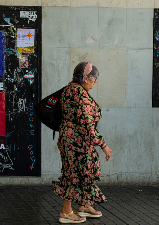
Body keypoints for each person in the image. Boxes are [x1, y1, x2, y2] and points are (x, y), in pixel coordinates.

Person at [52, 62, 112, 223]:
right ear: (85, 78)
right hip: (76, 141)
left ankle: (84, 205)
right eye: (93, 78)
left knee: (86, 171)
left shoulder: (69, 89)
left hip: (72, 139)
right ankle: (66, 212)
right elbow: (87, 124)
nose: (95, 81)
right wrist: (103, 144)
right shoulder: (79, 94)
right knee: (74, 174)